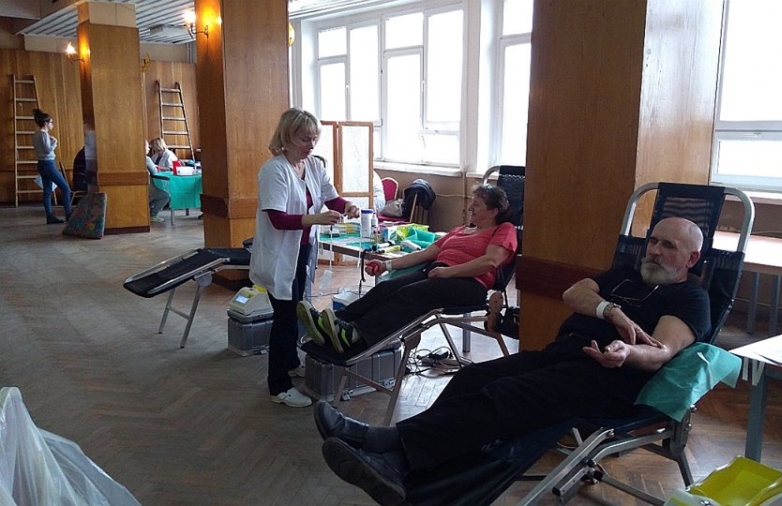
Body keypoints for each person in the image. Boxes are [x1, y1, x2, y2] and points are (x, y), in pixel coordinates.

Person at [315, 217, 710, 505]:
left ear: (691, 259)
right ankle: (403, 463)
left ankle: (391, 449)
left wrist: (625, 351)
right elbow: (574, 294)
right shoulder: (625, 275)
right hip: (564, 354)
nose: (654, 250)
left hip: (610, 377)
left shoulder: (690, 298)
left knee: (506, 395)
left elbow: (661, 351)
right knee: (471, 379)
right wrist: (612, 311)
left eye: (668, 246)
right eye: (652, 241)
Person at [297, 184, 518, 356]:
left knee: (409, 294)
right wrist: (386, 265)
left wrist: (448, 272)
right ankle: (334, 324)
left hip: (470, 284)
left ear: (493, 211)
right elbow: (424, 254)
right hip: (437, 273)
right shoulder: (460, 230)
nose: (470, 208)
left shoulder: (504, 229)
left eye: (477, 205)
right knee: (386, 287)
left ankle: (355, 334)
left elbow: (490, 262)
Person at [249, 108, 360, 408]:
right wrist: (316, 219)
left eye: (314, 139)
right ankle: (278, 386)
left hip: (301, 251)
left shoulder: (312, 165)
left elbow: (331, 197)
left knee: (297, 310)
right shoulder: (274, 170)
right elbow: (277, 219)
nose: (310, 146)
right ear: (286, 137)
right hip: (278, 255)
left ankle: (289, 362)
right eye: (304, 139)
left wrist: (347, 206)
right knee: (284, 318)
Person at [32, 109, 72, 224]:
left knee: (47, 191)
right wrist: (55, 142)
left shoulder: (36, 134)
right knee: (66, 188)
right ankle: (69, 214)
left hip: (41, 164)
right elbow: (47, 150)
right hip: (48, 163)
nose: (52, 124)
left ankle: (49, 216)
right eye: (51, 122)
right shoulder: (43, 134)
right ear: (46, 123)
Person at [144, 140, 171, 223]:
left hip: (144, 184)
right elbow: (154, 171)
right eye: (147, 146)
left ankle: (145, 211)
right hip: (148, 184)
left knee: (156, 196)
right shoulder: (146, 159)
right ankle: (153, 214)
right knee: (165, 196)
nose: (149, 148)